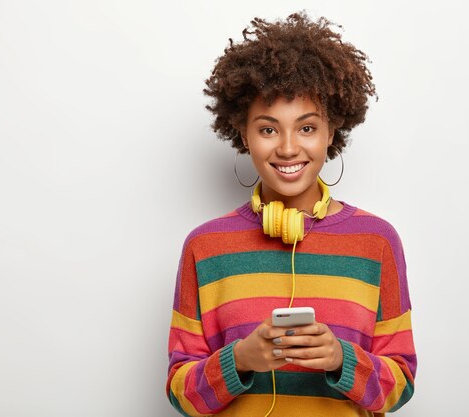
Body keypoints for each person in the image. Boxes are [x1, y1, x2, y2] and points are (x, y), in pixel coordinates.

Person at [166, 12, 416, 417]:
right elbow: (181, 395)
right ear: (242, 133)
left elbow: (400, 385)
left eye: (306, 128)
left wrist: (341, 359)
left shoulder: (377, 241)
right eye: (267, 129)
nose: (286, 148)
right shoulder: (205, 246)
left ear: (331, 132)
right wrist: (241, 359)